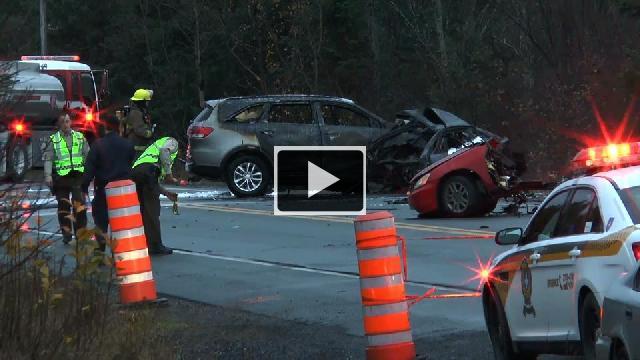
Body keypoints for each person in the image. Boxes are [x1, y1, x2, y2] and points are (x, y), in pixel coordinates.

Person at [81, 115, 136, 252]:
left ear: (105, 127)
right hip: (123, 190)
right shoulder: (128, 145)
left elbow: (89, 169)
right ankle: (121, 252)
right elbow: (131, 165)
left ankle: (100, 251)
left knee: (101, 222)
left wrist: (84, 187)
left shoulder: (98, 145)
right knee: (122, 223)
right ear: (119, 128)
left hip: (104, 188)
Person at [44, 113, 89, 244]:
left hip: (77, 176)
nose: (66, 124)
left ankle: (81, 234)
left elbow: (87, 155)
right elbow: (48, 159)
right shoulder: (54, 139)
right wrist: (47, 176)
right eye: (63, 122)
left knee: (79, 206)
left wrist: (89, 173)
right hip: (61, 178)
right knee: (63, 207)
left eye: (67, 121)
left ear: (71, 122)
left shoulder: (80, 137)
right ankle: (66, 233)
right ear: (59, 124)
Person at [131, 137, 178, 255]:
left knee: (143, 211)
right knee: (152, 211)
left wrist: (166, 193)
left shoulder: (150, 154)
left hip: (136, 175)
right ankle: (156, 245)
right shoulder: (173, 142)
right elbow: (164, 151)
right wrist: (169, 174)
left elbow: (153, 183)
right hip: (147, 173)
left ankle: (145, 243)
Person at [124, 88, 155, 156]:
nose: (148, 103)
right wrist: (149, 133)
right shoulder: (136, 113)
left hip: (138, 147)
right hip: (136, 149)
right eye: (146, 101)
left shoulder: (138, 111)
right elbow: (139, 129)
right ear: (142, 102)